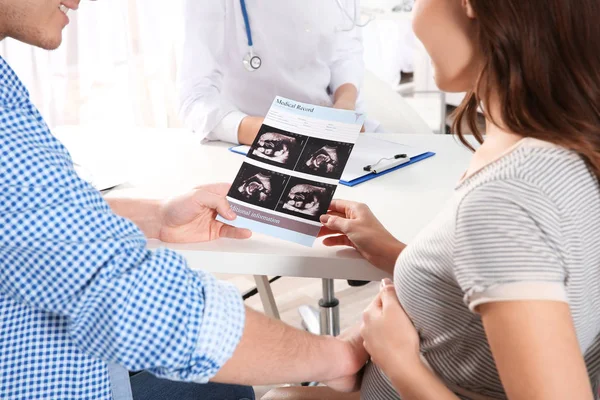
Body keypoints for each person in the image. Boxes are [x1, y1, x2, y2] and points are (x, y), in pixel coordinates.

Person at [0, 1, 369, 399]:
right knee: (232, 388)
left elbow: (39, 220)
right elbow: (133, 305)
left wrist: (156, 217)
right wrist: (339, 357)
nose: (77, 1)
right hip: (60, 376)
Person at [266, 0, 600, 399]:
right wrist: (398, 255)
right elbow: (517, 278)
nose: (413, 19)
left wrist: (398, 362)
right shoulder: (559, 144)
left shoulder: (506, 201)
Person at [179, 0, 380, 147]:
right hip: (247, 140)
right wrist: (272, 133)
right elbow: (195, 98)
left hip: (328, 130)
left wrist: (345, 104)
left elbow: (345, 50)